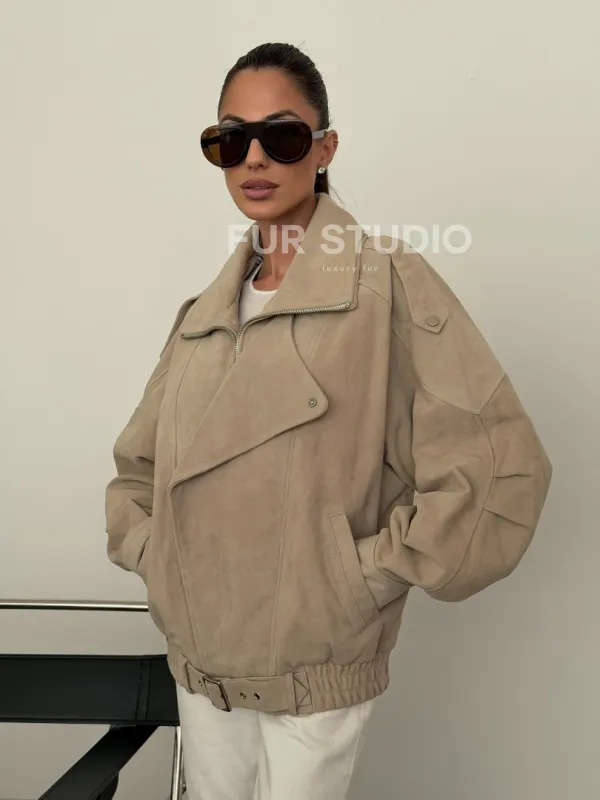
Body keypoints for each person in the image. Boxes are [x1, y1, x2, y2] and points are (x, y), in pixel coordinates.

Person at [104, 42, 553, 800]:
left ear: (324, 148)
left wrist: (354, 577)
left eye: (280, 136)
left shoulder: (386, 283)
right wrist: (162, 559)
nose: (253, 158)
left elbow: (498, 463)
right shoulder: (202, 316)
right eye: (230, 140)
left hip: (315, 656)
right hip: (201, 658)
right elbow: (139, 471)